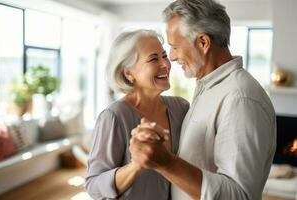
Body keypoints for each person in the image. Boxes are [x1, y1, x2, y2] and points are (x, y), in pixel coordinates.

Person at [129, 0, 276, 200]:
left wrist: (167, 163)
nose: (171, 57)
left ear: (203, 42)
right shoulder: (209, 88)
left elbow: (240, 196)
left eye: (174, 47)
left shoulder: (241, 99)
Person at [85, 29, 189, 200]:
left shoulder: (181, 108)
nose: (165, 64)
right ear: (129, 73)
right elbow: (94, 185)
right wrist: (136, 165)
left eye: (164, 56)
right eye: (154, 59)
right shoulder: (114, 116)